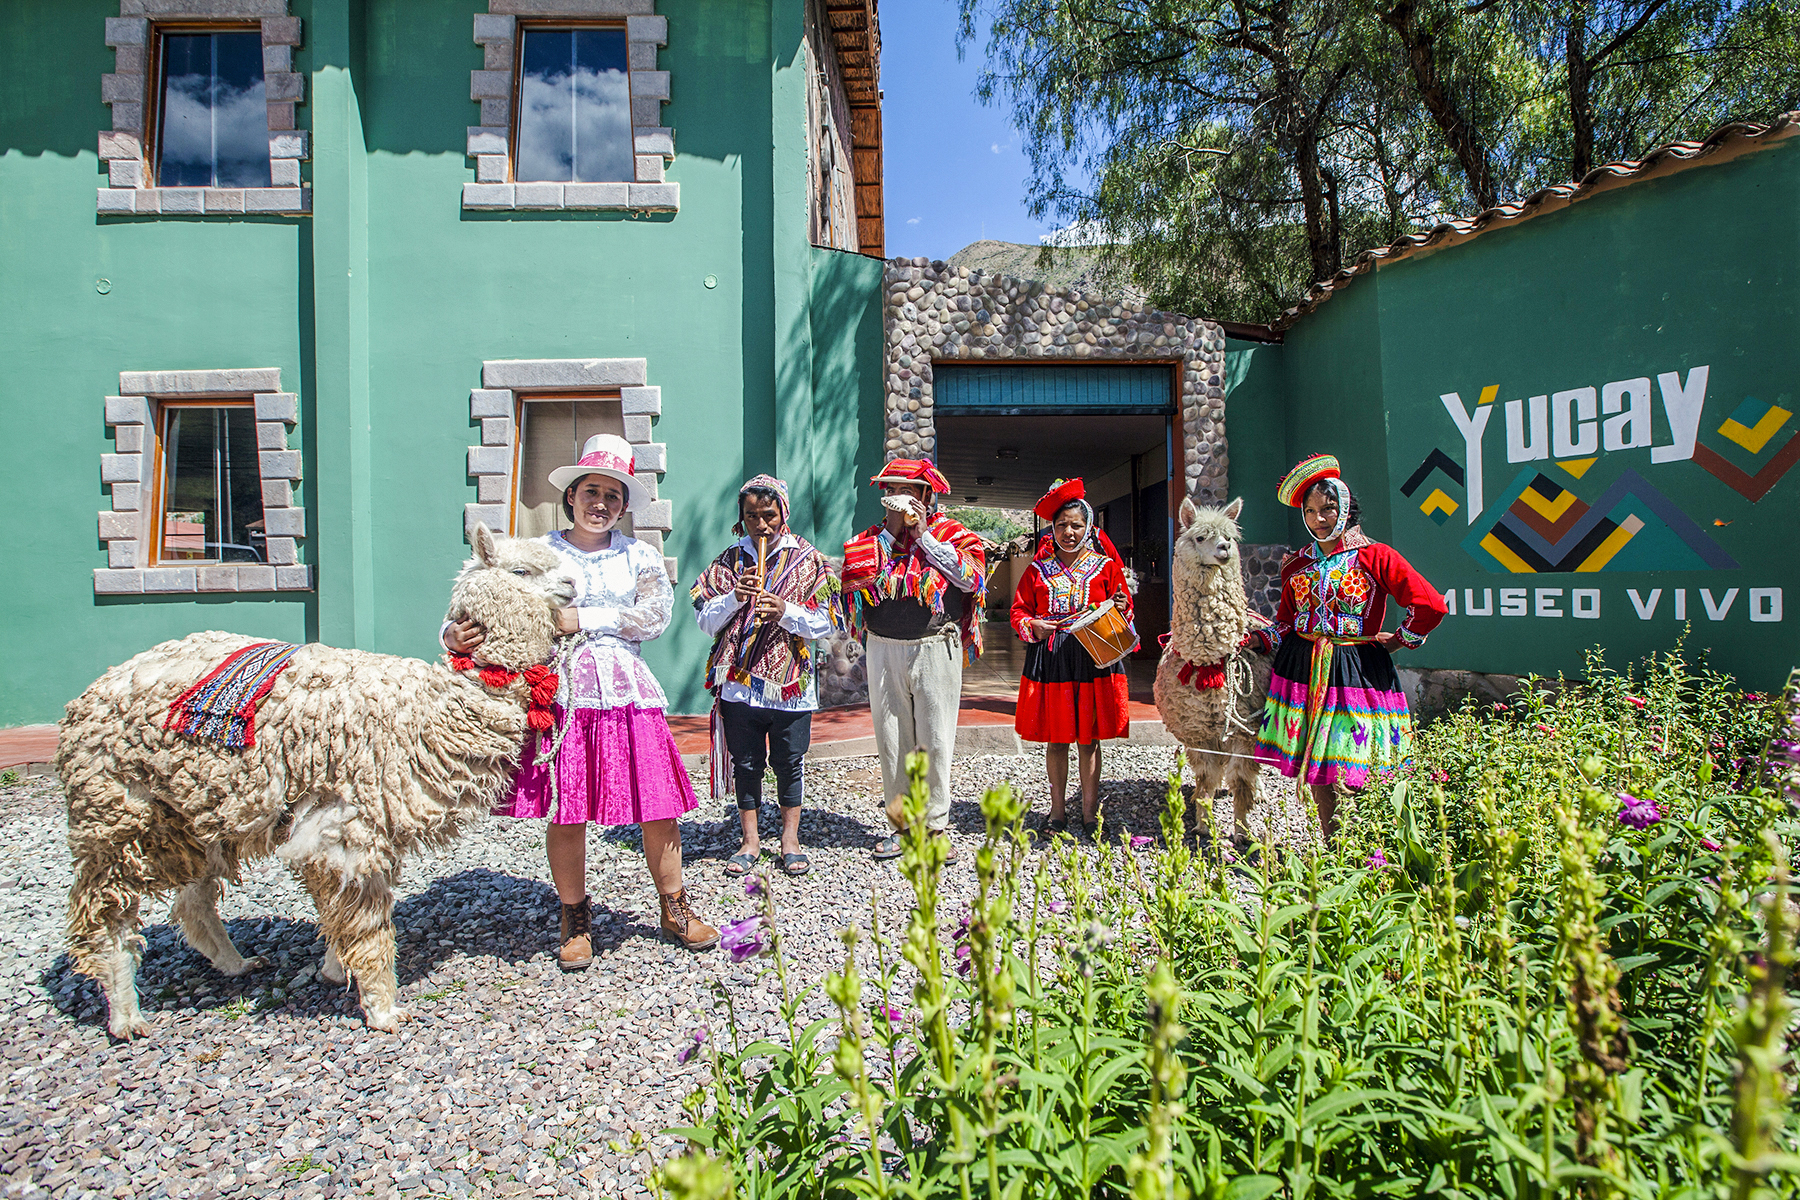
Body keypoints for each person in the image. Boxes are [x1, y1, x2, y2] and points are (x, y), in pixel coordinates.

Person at [443, 433, 718, 969]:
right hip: (563, 694)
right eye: (592, 490)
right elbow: (483, 598)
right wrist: (451, 636)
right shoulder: (538, 554)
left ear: (623, 505)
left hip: (627, 691)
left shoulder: (639, 554)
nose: (601, 503)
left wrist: (585, 618)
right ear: (571, 496)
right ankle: (576, 919)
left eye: (613, 496)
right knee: (567, 810)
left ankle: (674, 907)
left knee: (657, 805)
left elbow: (655, 617)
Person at [1249, 454, 1447, 842]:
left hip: (1354, 669)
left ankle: (1366, 846)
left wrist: (1402, 639)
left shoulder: (1375, 557)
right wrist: (1262, 638)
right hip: (1302, 668)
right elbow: (1287, 619)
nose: (1319, 519)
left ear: (1346, 509)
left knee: (1351, 763)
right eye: (1310, 512)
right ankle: (1332, 844)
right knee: (1316, 765)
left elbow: (1429, 604)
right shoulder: (1297, 564)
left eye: (1328, 509)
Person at [691, 474, 841, 877]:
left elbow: (829, 621)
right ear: (741, 517)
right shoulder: (727, 561)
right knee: (746, 762)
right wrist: (733, 599)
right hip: (738, 684)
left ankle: (790, 840)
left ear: (783, 514)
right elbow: (705, 621)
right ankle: (750, 840)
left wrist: (787, 613)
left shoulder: (809, 559)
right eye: (751, 516)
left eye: (769, 515)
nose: (761, 525)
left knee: (790, 762)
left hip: (789, 684)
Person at [840, 458, 986, 861]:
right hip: (884, 647)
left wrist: (923, 537)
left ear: (925, 494)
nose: (895, 498)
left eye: (905, 490)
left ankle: (935, 825)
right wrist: (890, 533)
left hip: (936, 646)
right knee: (892, 740)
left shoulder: (953, 535)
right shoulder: (871, 540)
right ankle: (902, 825)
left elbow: (971, 579)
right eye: (889, 491)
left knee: (935, 739)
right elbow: (855, 577)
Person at [1010, 479, 1137, 836]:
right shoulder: (1037, 571)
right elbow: (1018, 612)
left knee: (1089, 738)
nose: (1069, 531)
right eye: (1062, 524)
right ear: (1053, 528)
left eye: (1076, 525)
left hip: (1092, 660)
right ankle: (1056, 812)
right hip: (1053, 661)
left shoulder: (1105, 568)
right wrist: (1033, 624)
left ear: (1089, 528)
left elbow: (1125, 610)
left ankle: (1089, 813)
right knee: (1057, 738)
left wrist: (1122, 609)